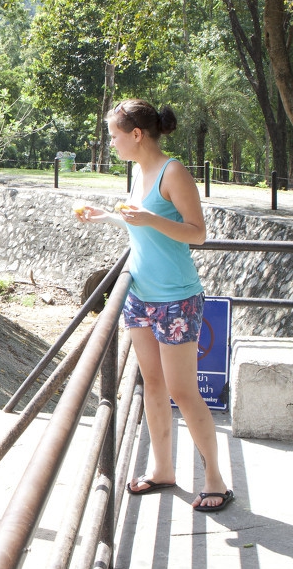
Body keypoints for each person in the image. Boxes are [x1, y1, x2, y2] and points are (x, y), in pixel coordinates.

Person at [75, 98, 233, 513]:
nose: (111, 142)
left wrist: (148, 218)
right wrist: (106, 217)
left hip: (177, 298)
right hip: (140, 296)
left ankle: (215, 480)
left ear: (137, 134)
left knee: (183, 390)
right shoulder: (138, 171)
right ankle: (163, 469)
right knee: (153, 385)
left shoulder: (172, 171)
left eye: (114, 135)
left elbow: (197, 233)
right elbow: (140, 224)